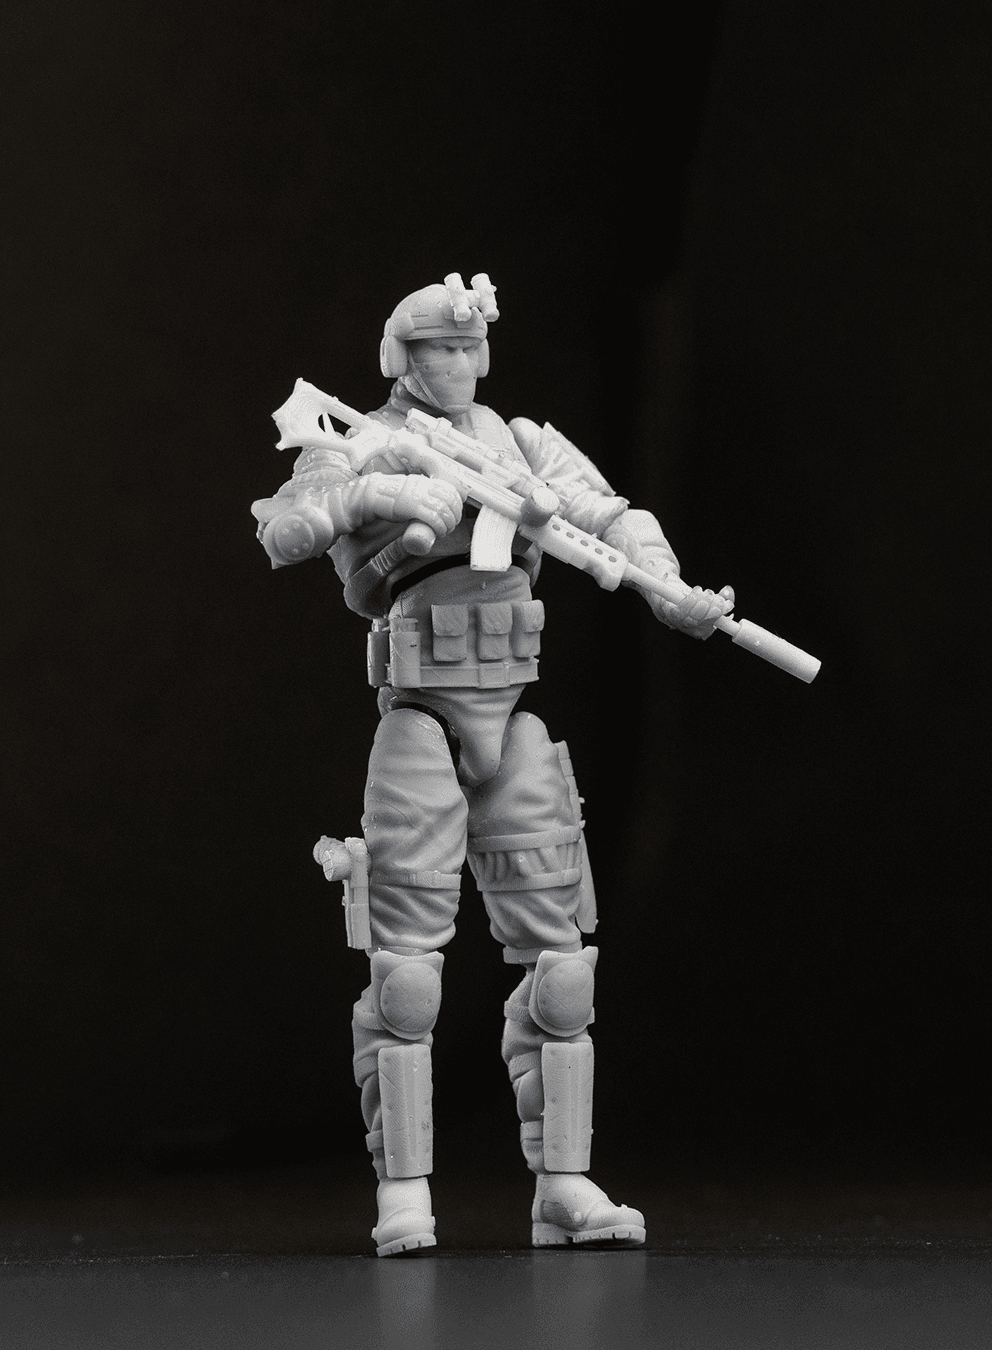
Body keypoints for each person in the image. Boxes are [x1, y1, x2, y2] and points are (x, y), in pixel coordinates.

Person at [252, 274, 732, 1255]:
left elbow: (612, 516)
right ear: (401, 356)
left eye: (472, 347)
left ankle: (563, 1186)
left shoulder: (516, 441)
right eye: (441, 348)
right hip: (422, 717)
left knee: (562, 971)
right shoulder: (359, 437)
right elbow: (284, 529)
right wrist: (380, 491)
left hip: (511, 717)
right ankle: (404, 1193)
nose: (462, 363)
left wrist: (668, 586)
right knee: (405, 979)